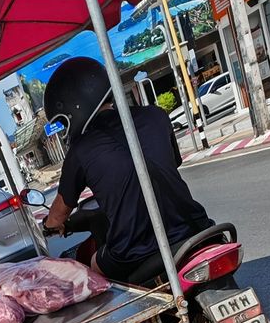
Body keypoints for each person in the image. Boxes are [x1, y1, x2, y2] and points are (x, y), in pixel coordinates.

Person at [43, 57, 213, 282]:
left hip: (136, 251)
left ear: (75, 106)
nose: (66, 128)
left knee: (93, 266)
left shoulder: (80, 150)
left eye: (64, 122)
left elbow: (57, 216)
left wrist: (48, 226)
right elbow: (173, 162)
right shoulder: (156, 114)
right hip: (196, 225)